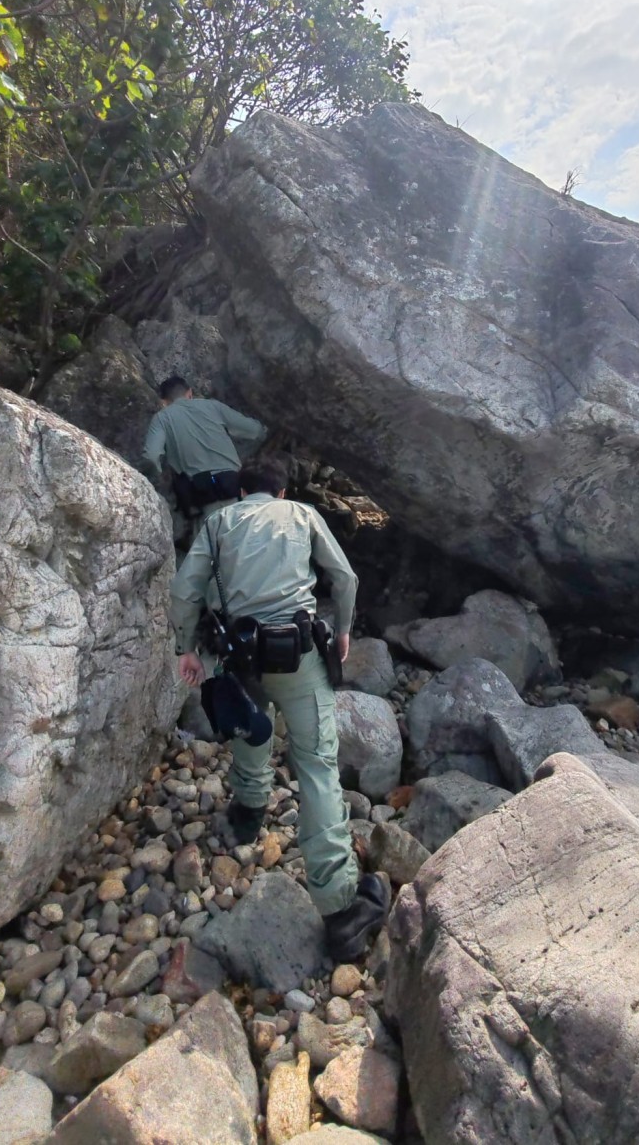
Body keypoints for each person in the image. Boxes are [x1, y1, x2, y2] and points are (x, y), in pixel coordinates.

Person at [170, 454, 388, 963]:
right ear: (284, 493)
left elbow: (185, 590)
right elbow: (345, 578)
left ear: (242, 493)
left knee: (251, 727)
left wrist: (186, 647)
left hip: (236, 652)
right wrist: (346, 630)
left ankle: (248, 811)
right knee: (315, 764)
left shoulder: (218, 521)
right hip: (299, 654)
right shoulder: (303, 517)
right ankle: (340, 910)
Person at [142, 375, 267, 522]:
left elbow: (151, 455)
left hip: (203, 497)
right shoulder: (213, 406)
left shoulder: (162, 418)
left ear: (163, 401)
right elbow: (252, 429)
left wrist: (155, 480)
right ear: (189, 393)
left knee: (210, 541)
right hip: (235, 489)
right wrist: (264, 431)